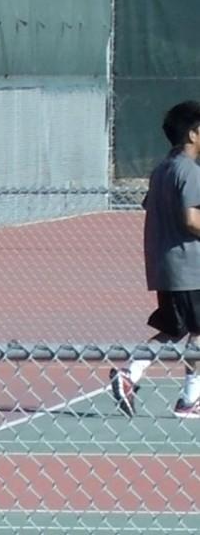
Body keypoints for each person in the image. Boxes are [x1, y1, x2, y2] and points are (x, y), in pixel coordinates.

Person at [109, 100, 200, 419]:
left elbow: (152, 206)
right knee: (197, 331)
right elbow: (191, 219)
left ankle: (129, 374)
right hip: (190, 268)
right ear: (193, 134)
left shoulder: (162, 168)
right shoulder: (188, 170)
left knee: (174, 328)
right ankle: (190, 399)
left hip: (169, 266)